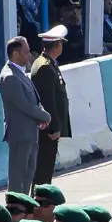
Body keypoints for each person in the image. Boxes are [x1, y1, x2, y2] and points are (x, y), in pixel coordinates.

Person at [0, 36, 51, 193]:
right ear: (15, 54)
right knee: (18, 177)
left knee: (28, 176)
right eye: (26, 52)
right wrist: (45, 116)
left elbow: (34, 99)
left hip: (30, 133)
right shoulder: (10, 77)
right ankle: (16, 209)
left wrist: (40, 112)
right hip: (20, 134)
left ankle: (25, 206)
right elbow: (23, 105)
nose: (30, 55)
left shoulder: (20, 73)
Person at [30, 24, 71, 185]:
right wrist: (53, 127)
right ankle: (40, 203)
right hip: (47, 129)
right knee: (43, 169)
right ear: (58, 45)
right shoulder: (45, 67)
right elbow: (47, 100)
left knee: (45, 168)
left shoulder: (47, 63)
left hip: (48, 127)